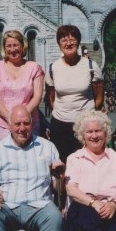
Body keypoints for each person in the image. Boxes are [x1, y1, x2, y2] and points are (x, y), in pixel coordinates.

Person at [44, 25, 104, 160]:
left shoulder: (91, 66)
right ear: (59, 44)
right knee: (62, 162)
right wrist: (64, 111)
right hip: (60, 124)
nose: (68, 43)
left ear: (78, 42)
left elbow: (99, 96)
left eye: (72, 39)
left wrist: (88, 114)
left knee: (87, 160)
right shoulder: (53, 68)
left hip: (85, 124)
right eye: (64, 40)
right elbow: (51, 97)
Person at [0, 29, 45, 146]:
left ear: (23, 46)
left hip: (27, 124)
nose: (12, 50)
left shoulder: (34, 67)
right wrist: (10, 118)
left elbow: (37, 97)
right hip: (2, 124)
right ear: (4, 48)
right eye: (9, 46)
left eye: (16, 45)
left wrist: (22, 118)